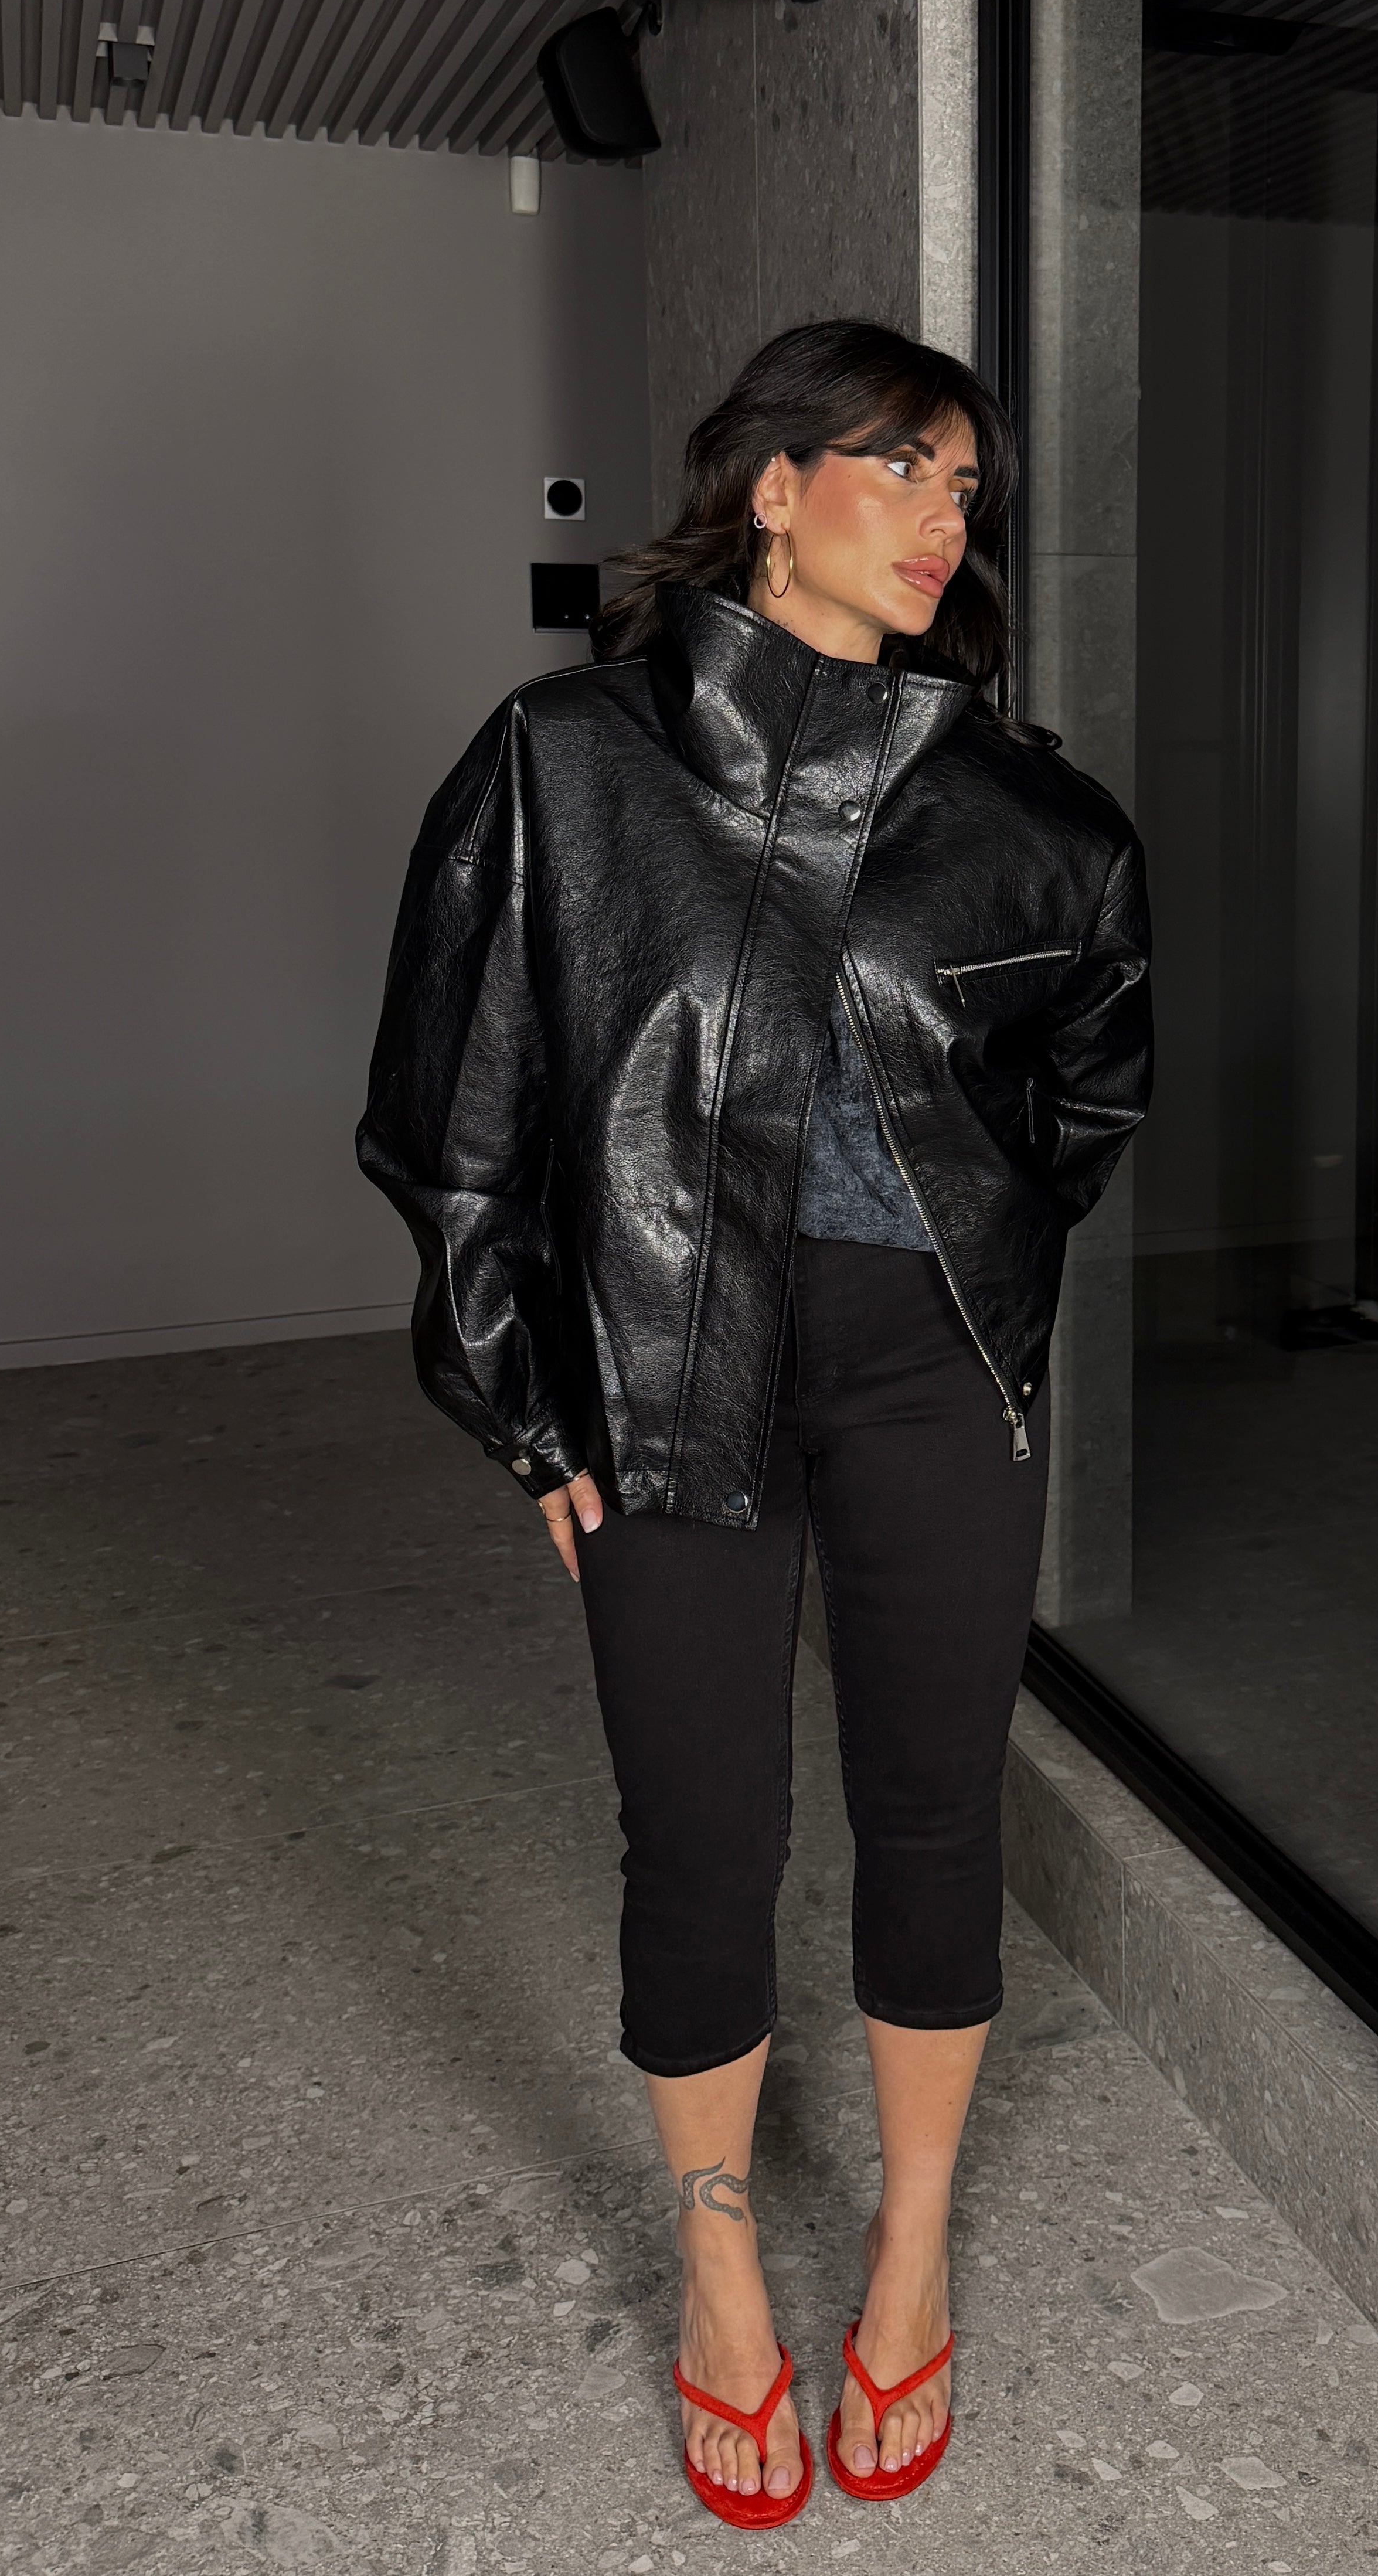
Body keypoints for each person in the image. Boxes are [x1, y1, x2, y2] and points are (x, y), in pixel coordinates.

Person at [358, 319, 1151, 2530]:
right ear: (773, 485)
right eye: (900, 466)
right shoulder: (566, 764)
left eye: (967, 490)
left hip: (928, 1368)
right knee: (698, 1832)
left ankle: (910, 2254)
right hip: (662, 1359)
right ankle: (718, 2279)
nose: (943, 518)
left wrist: (965, 1249)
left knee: (934, 1812)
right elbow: (451, 1122)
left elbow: (1088, 1098)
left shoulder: (1036, 819)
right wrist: (525, 1400)